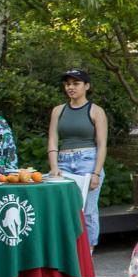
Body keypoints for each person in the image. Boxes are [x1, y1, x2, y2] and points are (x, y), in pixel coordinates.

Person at [47, 70, 109, 246]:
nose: (71, 87)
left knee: (88, 210)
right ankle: (66, 249)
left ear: (86, 86)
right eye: (68, 84)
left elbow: (102, 144)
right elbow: (53, 139)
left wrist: (96, 173)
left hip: (88, 161)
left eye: (76, 83)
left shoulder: (96, 111)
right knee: (64, 208)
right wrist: (54, 166)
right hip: (64, 161)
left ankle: (88, 250)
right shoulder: (58, 110)